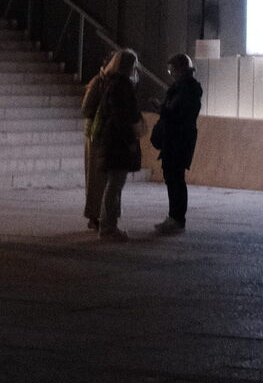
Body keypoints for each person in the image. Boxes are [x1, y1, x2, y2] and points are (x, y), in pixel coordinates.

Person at [93, 47, 143, 242]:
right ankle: (108, 228)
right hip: (118, 142)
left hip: (111, 140)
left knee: (113, 185)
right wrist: (130, 140)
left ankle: (108, 226)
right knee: (115, 186)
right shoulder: (122, 86)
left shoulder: (111, 83)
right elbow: (122, 117)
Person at [151, 52, 203, 235]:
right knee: (173, 178)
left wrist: (161, 108)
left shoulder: (185, 90)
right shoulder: (184, 88)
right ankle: (175, 216)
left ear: (181, 69)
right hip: (177, 138)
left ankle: (177, 218)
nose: (171, 73)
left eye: (172, 69)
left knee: (175, 179)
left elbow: (176, 113)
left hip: (178, 139)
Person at [80, 66, 107, 230]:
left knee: (105, 180)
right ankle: (94, 215)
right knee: (95, 178)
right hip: (97, 133)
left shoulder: (116, 82)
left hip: (105, 133)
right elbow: (86, 109)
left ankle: (101, 215)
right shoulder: (99, 82)